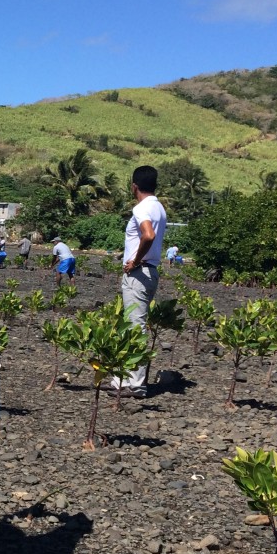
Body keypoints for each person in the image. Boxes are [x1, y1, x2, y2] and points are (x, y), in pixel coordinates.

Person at [105, 165, 167, 398]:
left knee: (134, 326)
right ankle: (125, 380)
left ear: (134, 186)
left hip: (139, 274)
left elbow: (148, 235)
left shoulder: (142, 208)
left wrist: (134, 261)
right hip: (150, 273)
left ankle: (135, 384)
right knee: (134, 323)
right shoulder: (159, 207)